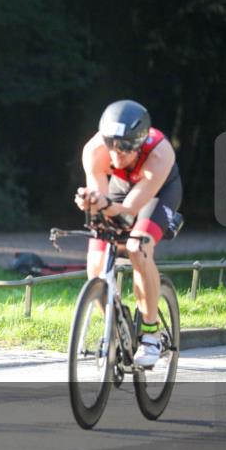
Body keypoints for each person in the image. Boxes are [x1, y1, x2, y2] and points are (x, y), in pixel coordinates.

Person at [75, 99, 182, 367]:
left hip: (159, 193)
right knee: (96, 267)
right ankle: (114, 327)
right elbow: (101, 202)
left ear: (140, 144)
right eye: (111, 145)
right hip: (121, 189)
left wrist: (107, 205)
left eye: (124, 150)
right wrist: (91, 201)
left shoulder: (160, 154)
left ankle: (150, 333)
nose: (116, 155)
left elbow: (131, 211)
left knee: (137, 247)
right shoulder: (94, 151)